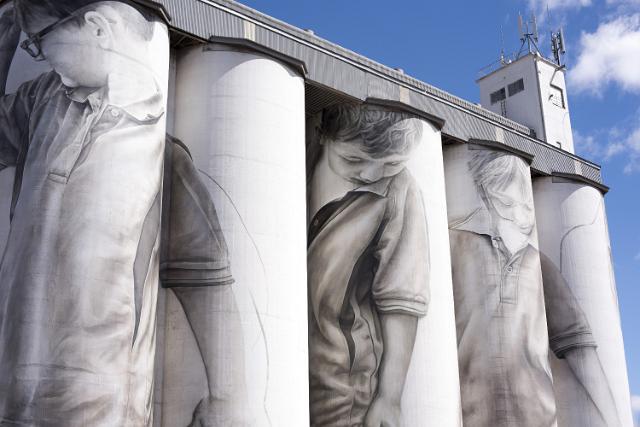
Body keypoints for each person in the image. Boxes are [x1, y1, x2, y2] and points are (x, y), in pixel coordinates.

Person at [0, 2, 246, 425]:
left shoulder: (162, 152)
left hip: (99, 407)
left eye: (39, 44)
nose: (41, 57)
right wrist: (7, 30)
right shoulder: (43, 103)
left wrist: (225, 398)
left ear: (97, 27)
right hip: (11, 394)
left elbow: (205, 281)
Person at [449, 147, 620, 427]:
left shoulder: (538, 263)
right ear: (487, 195)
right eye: (508, 203)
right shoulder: (455, 245)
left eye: (526, 205)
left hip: (535, 419)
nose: (521, 216)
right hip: (469, 416)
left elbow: (582, 351)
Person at [307, 104, 430, 427]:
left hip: (343, 387)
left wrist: (389, 398)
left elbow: (402, 298)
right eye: (354, 159)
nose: (371, 174)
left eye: (390, 164)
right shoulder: (293, 150)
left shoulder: (399, 189)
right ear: (322, 136)